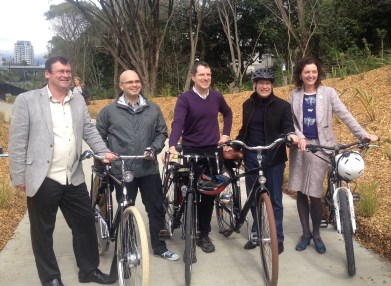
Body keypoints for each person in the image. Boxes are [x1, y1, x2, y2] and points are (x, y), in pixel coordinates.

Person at [8, 56, 118, 286]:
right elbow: (17, 141)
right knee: (42, 232)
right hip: (42, 177)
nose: (66, 75)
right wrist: (19, 176)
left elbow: (89, 129)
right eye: (60, 71)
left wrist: (103, 151)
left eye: (68, 70)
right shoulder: (27, 100)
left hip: (72, 175)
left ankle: (88, 271)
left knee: (85, 224)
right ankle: (51, 278)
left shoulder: (77, 100)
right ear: (47, 74)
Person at [288, 56, 378, 254]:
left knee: (315, 192)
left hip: (323, 147)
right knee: (301, 191)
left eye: (314, 71)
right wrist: (299, 136)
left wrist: (363, 134)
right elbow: (292, 122)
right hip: (301, 148)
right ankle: (305, 234)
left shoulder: (328, 93)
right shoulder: (294, 95)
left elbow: (345, 114)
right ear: (300, 75)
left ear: (318, 73)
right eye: (306, 72)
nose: (310, 75)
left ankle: (317, 234)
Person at [95, 70, 179, 261]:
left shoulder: (153, 108)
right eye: (129, 82)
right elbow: (98, 136)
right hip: (122, 170)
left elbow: (161, 132)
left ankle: (160, 247)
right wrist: (107, 153)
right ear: (121, 86)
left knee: (156, 208)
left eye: (137, 81)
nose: (134, 84)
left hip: (148, 168)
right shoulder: (109, 111)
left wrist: (154, 148)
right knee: (126, 209)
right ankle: (129, 247)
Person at [166, 61, 233, 256]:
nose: (205, 78)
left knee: (208, 195)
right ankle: (189, 231)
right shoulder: (185, 99)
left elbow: (227, 113)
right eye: (201, 75)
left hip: (212, 151)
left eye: (208, 75)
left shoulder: (216, 97)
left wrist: (226, 134)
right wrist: (172, 145)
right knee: (190, 192)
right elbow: (177, 122)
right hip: (191, 151)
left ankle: (204, 233)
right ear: (193, 77)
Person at [236, 68, 298, 255]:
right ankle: (256, 232)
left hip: (274, 157)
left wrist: (291, 136)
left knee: (276, 200)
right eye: (261, 82)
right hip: (252, 156)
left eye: (268, 83)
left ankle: (277, 237)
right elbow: (244, 129)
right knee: (254, 197)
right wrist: (236, 144)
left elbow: (288, 127)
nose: (264, 86)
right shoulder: (248, 104)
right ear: (254, 84)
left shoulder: (283, 106)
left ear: (272, 85)